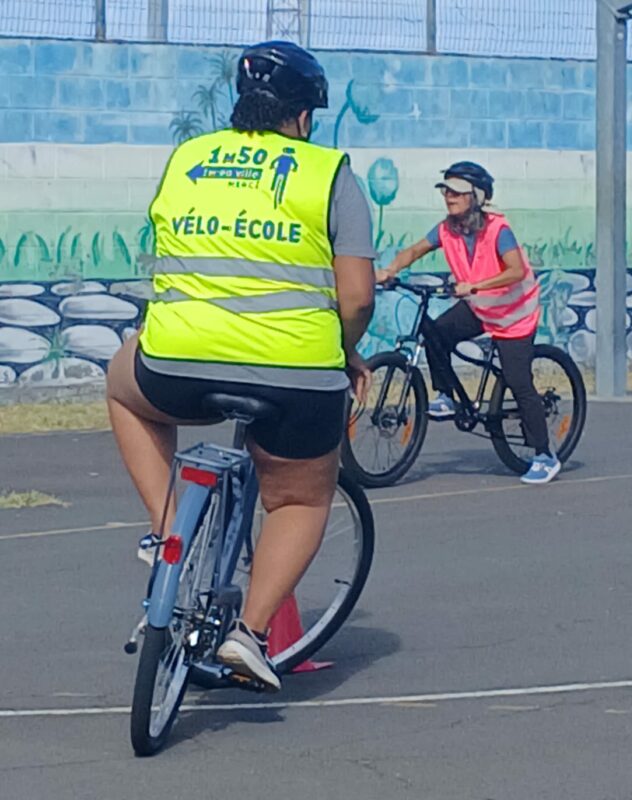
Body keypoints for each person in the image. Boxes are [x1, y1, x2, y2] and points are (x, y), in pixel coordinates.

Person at [106, 41, 376, 690]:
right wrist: (347, 352)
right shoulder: (328, 173)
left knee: (121, 387)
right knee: (299, 499)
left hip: (180, 362)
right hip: (294, 377)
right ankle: (249, 633)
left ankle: (168, 533)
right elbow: (358, 298)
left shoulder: (188, 158)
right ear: (304, 116)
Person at [376, 161, 560, 485]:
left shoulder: (498, 231)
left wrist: (475, 286)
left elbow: (516, 270)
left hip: (514, 315)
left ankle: (545, 455)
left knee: (518, 381)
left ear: (477, 197)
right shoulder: (447, 229)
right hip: (480, 307)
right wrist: (390, 270)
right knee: (435, 334)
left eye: (458, 192)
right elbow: (415, 250)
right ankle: (446, 395)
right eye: (446, 191)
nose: (449, 197)